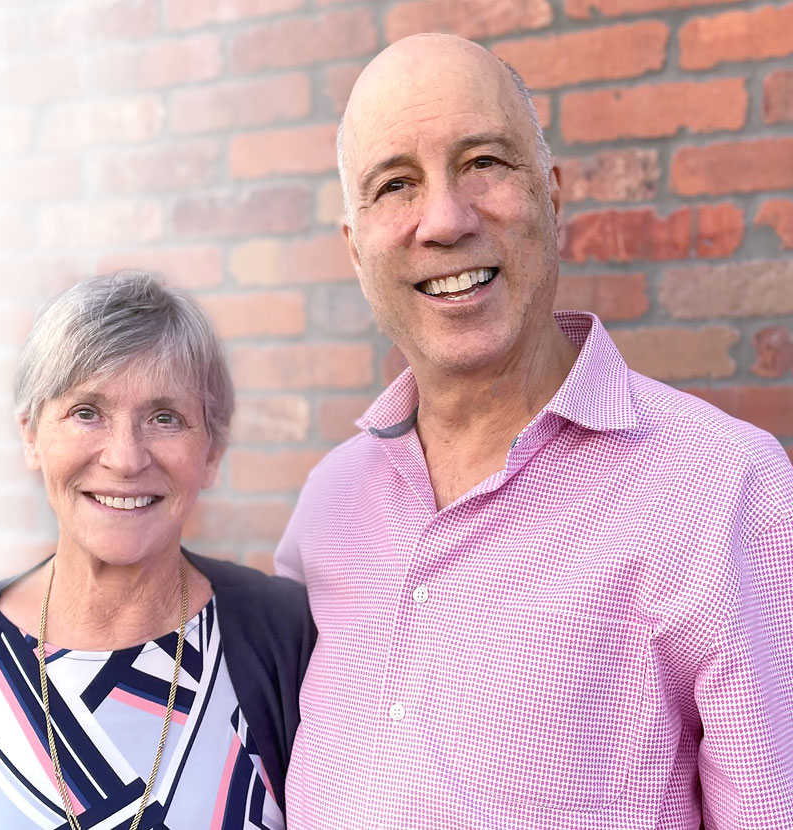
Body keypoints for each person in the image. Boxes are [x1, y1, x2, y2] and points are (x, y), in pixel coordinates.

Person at [275, 33, 793, 829]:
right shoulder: (329, 503)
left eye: (483, 162)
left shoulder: (729, 489)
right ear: (355, 249)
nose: (444, 220)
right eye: (395, 185)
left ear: (552, 195)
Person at [0, 271, 314, 830]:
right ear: (30, 435)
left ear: (212, 452)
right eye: (86, 412)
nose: (125, 458)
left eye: (165, 418)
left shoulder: (286, 639)